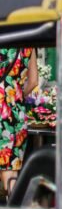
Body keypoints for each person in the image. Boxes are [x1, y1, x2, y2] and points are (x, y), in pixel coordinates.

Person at [0, 48, 38, 192]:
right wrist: (17, 96)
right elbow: (34, 81)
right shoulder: (30, 45)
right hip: (17, 113)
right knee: (11, 167)